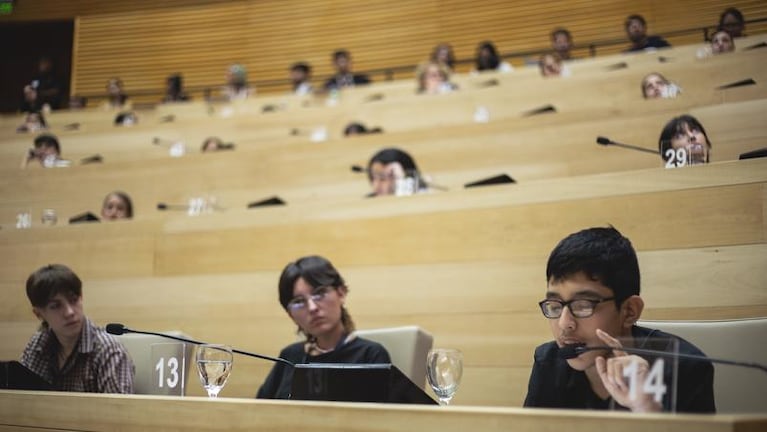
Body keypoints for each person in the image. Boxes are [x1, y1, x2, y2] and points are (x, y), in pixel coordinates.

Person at [524, 227, 715, 413]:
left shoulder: (685, 367)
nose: (564, 323)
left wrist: (647, 409)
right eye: (555, 305)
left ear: (629, 311)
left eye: (583, 305)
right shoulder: (548, 361)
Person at [256, 255, 391, 399]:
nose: (312, 307)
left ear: (341, 293)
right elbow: (258, 411)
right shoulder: (289, 356)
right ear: (290, 314)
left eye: (319, 293)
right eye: (299, 301)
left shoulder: (370, 355)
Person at [20, 264, 134, 393]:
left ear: (81, 298)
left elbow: (118, 411)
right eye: (56, 306)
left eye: (73, 300)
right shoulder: (36, 347)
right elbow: (23, 403)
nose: (69, 312)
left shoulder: (108, 350)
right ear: (39, 314)